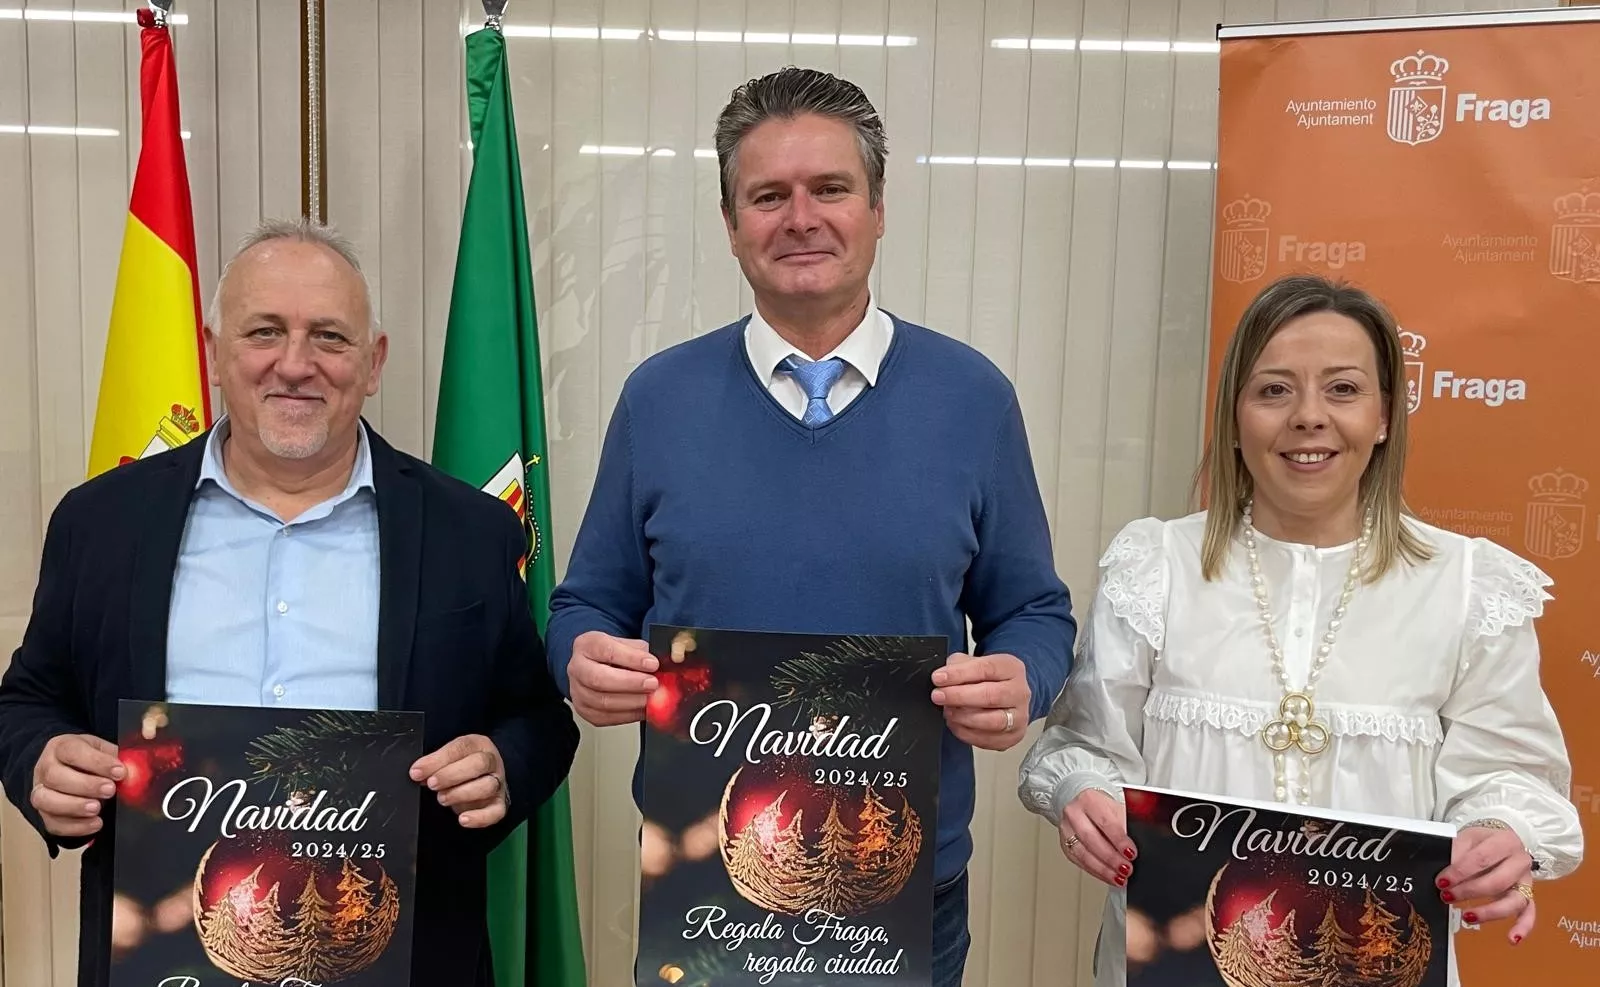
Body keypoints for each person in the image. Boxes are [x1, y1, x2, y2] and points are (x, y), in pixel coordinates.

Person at [545, 66, 1076, 985]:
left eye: (830, 188)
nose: (801, 218)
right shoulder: (658, 400)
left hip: (904, 891)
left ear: (878, 209)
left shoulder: (973, 398)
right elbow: (585, 604)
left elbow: (1034, 611)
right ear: (730, 223)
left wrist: (1022, 678)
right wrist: (580, 659)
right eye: (768, 196)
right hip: (704, 889)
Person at [0, 218, 579, 987]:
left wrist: (502, 766)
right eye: (264, 331)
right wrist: (41, 761)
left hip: (406, 953)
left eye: (330, 337)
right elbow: (30, 700)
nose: (296, 364)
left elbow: (538, 717)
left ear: (373, 362)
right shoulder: (101, 522)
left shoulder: (470, 531)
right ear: (214, 351)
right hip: (162, 955)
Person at [1017, 273, 1582, 986]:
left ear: (1385, 415)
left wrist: (1499, 831)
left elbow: (1509, 773)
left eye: (1343, 389)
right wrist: (1082, 793)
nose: (1309, 416)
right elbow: (1085, 744)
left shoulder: (1468, 584)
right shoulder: (1156, 566)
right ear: (1233, 417)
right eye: (1274, 390)